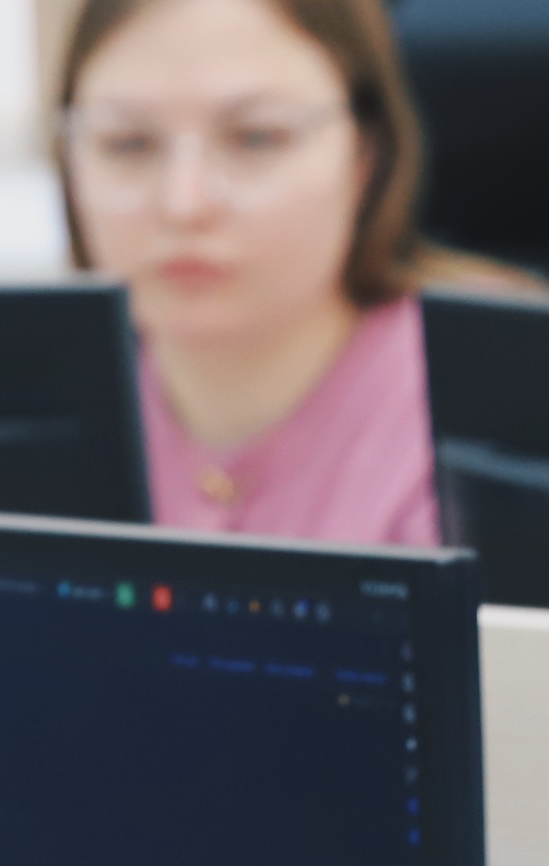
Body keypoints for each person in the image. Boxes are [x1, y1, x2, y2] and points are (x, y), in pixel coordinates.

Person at [57, 0, 486, 548]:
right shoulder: (28, 419)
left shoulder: (500, 396)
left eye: (256, 137)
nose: (184, 204)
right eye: (129, 143)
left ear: (365, 154)